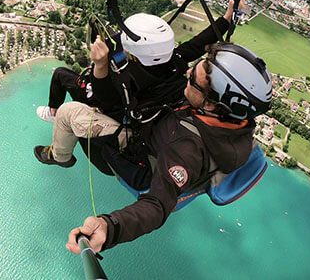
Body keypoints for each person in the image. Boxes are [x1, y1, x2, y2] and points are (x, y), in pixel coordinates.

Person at [65, 42, 272, 253]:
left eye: (193, 80)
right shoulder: (237, 122)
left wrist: (111, 228)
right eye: (196, 66)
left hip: (136, 164)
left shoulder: (185, 148)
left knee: (71, 112)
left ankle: (59, 155)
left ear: (211, 104)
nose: (188, 72)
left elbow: (157, 205)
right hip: (154, 142)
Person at [33, 0, 235, 168]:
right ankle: (53, 113)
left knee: (64, 92)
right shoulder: (176, 62)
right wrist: (227, 18)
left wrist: (100, 65)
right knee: (62, 76)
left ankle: (60, 155)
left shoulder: (127, 79)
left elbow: (104, 100)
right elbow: (200, 42)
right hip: (139, 114)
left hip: (117, 119)